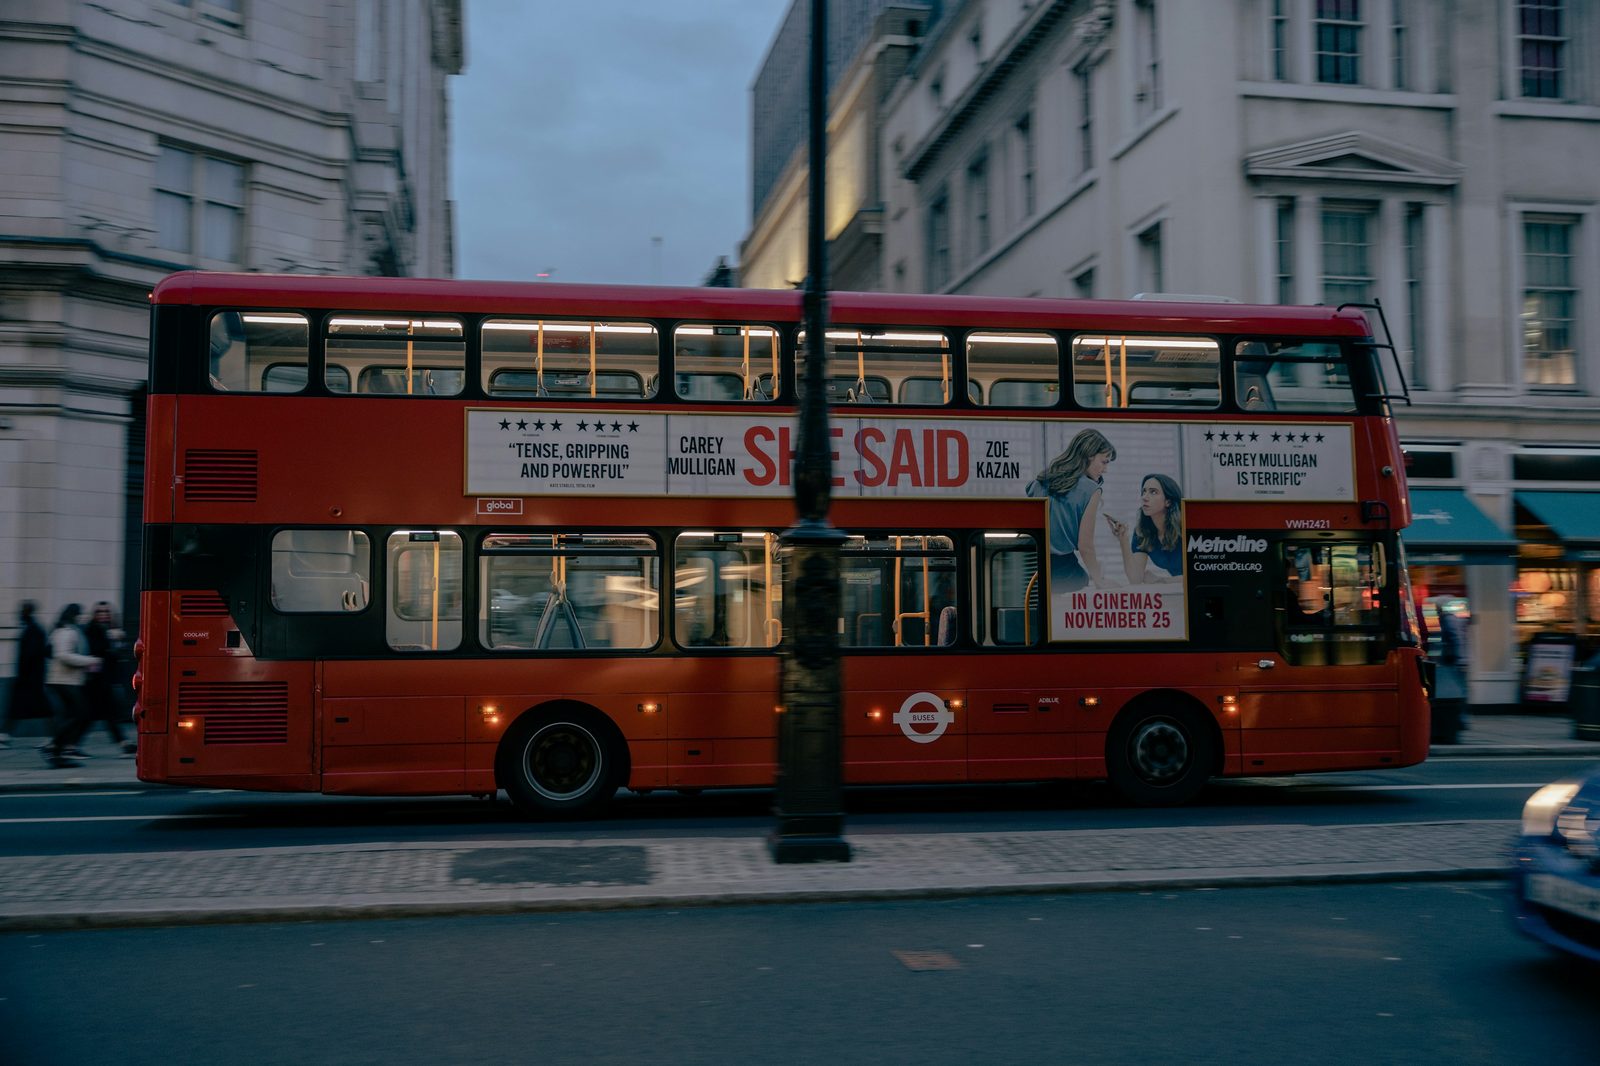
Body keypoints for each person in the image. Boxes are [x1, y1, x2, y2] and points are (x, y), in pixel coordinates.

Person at [1026, 428, 1117, 592]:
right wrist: (1099, 580)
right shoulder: (1091, 489)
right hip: (1065, 571)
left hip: (1032, 567)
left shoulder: (1037, 483)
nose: (1105, 469)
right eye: (1104, 462)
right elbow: (1086, 546)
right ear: (1089, 455)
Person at [42, 603, 101, 769]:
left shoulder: (68, 630)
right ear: (73, 615)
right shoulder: (65, 632)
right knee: (79, 714)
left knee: (75, 715)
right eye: (80, 614)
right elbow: (62, 655)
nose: (82, 617)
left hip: (67, 680)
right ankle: (54, 747)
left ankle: (57, 750)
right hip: (63, 681)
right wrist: (90, 660)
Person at [1106, 473, 1184, 585]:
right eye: (1144, 491)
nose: (1144, 497)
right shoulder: (1142, 532)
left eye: (1153, 492)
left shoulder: (1186, 528)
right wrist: (1123, 540)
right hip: (1181, 590)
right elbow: (1135, 578)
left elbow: (1204, 574)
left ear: (1168, 501)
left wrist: (1162, 581)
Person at [83, 602, 135, 755]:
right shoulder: (93, 629)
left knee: (104, 714)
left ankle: (123, 742)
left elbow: (119, 653)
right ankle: (123, 742)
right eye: (100, 611)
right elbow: (98, 651)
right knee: (94, 715)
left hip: (108, 678)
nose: (103, 614)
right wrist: (112, 643)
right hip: (96, 679)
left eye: (106, 612)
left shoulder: (111, 629)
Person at [0, 600, 50, 747]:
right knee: (18, 708)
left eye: (23, 611)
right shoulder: (32, 628)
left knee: (42, 709)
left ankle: (52, 737)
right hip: (29, 677)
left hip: (30, 678)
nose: (20, 614)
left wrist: (25, 676)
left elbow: (31, 655)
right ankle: (5, 735)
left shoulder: (34, 630)